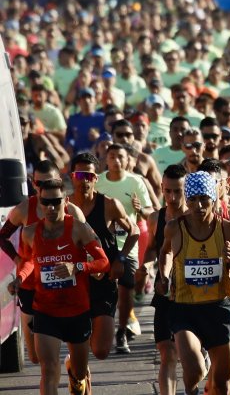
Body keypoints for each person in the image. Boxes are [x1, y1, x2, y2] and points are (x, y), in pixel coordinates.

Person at [156, 171, 230, 395]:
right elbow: (165, 252)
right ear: (186, 200)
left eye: (204, 199)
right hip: (184, 309)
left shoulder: (229, 230)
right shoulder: (174, 228)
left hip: (218, 309)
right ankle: (192, 389)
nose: (198, 205)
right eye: (193, 199)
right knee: (194, 370)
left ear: (214, 199)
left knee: (222, 384)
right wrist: (165, 275)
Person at [14, 179, 111, 395]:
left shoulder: (79, 229)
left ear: (65, 201)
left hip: (77, 311)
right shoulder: (29, 232)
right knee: (48, 370)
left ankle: (76, 377)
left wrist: (76, 266)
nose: (50, 208)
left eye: (56, 202)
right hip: (45, 310)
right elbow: (30, 261)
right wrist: (20, 278)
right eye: (45, 202)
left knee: (78, 371)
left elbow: (103, 262)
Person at [0, 160, 87, 366]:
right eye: (39, 184)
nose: (44, 189)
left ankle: (75, 370)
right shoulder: (24, 209)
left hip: (66, 286)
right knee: (35, 357)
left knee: (56, 358)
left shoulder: (72, 211)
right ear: (33, 183)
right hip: (31, 283)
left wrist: (78, 268)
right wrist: (18, 259)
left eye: (50, 183)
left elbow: (88, 246)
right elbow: (2, 236)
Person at [68, 153, 134, 361]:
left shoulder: (109, 205)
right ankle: (78, 371)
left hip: (103, 282)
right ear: (72, 177)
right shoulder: (63, 207)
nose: (84, 180)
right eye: (80, 174)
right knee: (79, 350)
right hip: (74, 283)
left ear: (96, 178)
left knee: (101, 351)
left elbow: (134, 232)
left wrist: (120, 259)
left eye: (89, 176)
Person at [95, 143, 154, 353]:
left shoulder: (135, 181)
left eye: (121, 156)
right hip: (102, 245)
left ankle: (122, 330)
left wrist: (141, 209)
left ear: (128, 159)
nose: (116, 160)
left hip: (128, 243)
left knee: (127, 286)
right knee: (102, 290)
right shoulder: (98, 181)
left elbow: (149, 211)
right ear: (106, 159)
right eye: (112, 156)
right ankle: (100, 328)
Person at [144, 164, 189, 395]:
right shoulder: (156, 218)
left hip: (194, 295)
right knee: (166, 352)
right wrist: (145, 266)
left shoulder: (196, 217)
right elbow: (152, 249)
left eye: (178, 191)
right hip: (165, 291)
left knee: (190, 358)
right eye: (168, 191)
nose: (172, 197)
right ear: (161, 188)